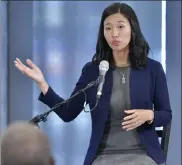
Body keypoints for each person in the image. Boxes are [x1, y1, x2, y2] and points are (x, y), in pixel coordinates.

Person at [14, 2, 172, 165]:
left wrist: (150, 115)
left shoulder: (152, 69)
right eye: (108, 28)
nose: (114, 34)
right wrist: (42, 83)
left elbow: (166, 115)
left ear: (132, 29)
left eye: (120, 27)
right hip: (103, 157)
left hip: (143, 155)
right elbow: (68, 112)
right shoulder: (93, 71)